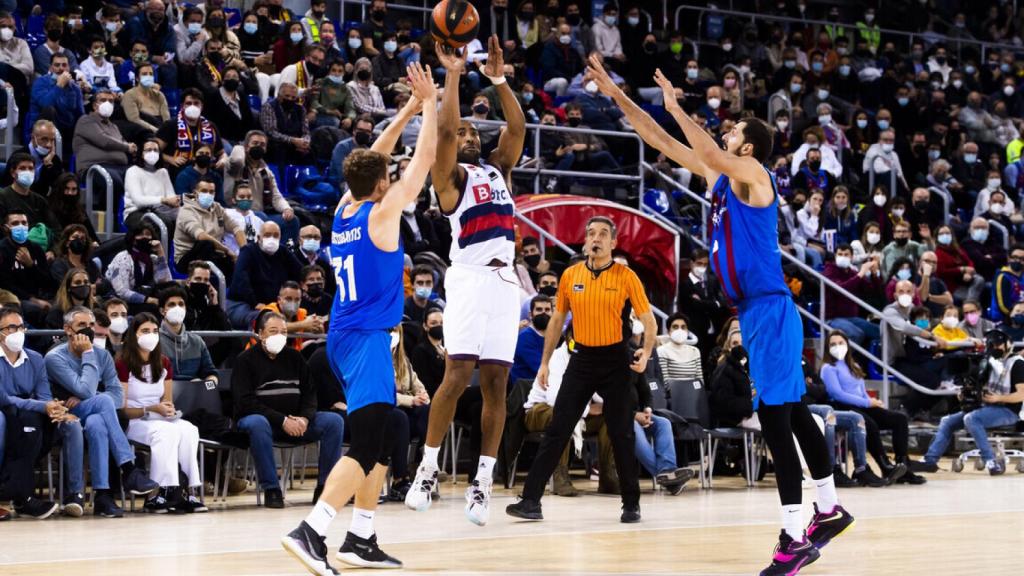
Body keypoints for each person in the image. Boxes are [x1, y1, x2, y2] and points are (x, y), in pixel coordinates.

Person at [587, 57, 852, 572]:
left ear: (747, 146)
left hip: (770, 310)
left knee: (776, 416)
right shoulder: (719, 177)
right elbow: (659, 140)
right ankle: (829, 507)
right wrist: (618, 94)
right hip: (755, 313)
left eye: (733, 130)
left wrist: (678, 107)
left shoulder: (754, 174)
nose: (725, 134)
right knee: (793, 411)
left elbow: (706, 147)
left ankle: (796, 534)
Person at [280, 62, 435, 574]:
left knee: (387, 429)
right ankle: (312, 531)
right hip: (368, 336)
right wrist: (430, 106)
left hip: (350, 333)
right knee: (367, 438)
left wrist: (407, 109)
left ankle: (361, 538)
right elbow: (424, 161)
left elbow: (377, 158)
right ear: (382, 184)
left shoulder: (346, 208)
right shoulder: (383, 214)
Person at [405, 37, 526, 526]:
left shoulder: (499, 170)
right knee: (456, 377)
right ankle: (427, 470)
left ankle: (482, 483)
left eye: (478, 132)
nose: (471, 136)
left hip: (505, 283)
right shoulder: (448, 178)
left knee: (498, 384)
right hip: (471, 279)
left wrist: (499, 80)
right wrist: (454, 75)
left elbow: (516, 126)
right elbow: (447, 132)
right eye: (465, 133)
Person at [506, 215, 654, 524]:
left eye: (602, 234)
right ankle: (531, 500)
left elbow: (648, 319)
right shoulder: (571, 275)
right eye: (590, 234)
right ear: (585, 242)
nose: (595, 239)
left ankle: (631, 503)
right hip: (582, 359)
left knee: (621, 432)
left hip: (615, 360)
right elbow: (557, 321)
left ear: (613, 243)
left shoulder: (626, 276)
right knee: (558, 427)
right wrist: (545, 362)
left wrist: (647, 352)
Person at [45, 306, 160, 517]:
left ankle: (103, 495)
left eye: (91, 325)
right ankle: (128, 469)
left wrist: (89, 397)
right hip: (64, 414)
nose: (88, 330)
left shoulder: (103, 355)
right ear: (67, 329)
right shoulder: (55, 357)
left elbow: (117, 396)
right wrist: (88, 354)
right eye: (82, 325)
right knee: (103, 400)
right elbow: (86, 389)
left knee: (99, 420)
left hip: (92, 411)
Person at [235, 311, 344, 509]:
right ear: (260, 334)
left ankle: (325, 488)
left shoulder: (296, 358)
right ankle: (272, 489)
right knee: (257, 423)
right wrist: (283, 420)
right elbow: (246, 402)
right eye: (273, 331)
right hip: (263, 422)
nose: (279, 336)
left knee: (334, 421)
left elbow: (310, 395)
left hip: (296, 421)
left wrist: (304, 419)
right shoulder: (245, 360)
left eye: (284, 332)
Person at [116, 312, 206, 513]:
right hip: (135, 420)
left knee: (189, 429)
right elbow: (122, 410)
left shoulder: (163, 362)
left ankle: (187, 490)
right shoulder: (123, 363)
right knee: (167, 433)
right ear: (134, 334)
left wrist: (167, 409)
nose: (151, 335)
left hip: (158, 418)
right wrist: (150, 409)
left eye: (155, 331)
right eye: (145, 331)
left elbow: (167, 401)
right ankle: (158, 493)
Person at [821, 331, 927, 485]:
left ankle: (903, 465)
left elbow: (861, 391)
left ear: (847, 345)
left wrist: (871, 401)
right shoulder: (828, 368)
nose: (837, 347)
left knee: (899, 420)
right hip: (844, 406)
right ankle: (884, 465)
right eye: (833, 344)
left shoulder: (854, 365)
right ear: (827, 348)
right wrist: (867, 403)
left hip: (863, 405)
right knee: (869, 424)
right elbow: (837, 394)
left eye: (841, 343)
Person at [919, 329, 1024, 475]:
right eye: (992, 345)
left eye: (998, 344)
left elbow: (1021, 395)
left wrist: (998, 398)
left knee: (972, 418)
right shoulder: (990, 362)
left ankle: (991, 462)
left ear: (1008, 344)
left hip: (1009, 411)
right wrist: (967, 393)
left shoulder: (1017, 364)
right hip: (988, 406)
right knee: (947, 421)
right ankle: (930, 461)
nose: (995, 348)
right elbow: (981, 386)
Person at [0, 306, 64, 519]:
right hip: (4, 411)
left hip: (27, 415)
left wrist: (53, 408)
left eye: (21, 327)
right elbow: (5, 399)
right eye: (11, 327)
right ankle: (23, 498)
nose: (17, 332)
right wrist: (43, 406)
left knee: (41, 424)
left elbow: (44, 395)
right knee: (26, 424)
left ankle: (17, 493)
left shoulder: (36, 358)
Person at [226, 221, 303, 329]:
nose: (272, 238)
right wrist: (255, 303)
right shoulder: (248, 251)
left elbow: (301, 272)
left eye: (276, 235)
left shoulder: (283, 252)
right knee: (265, 318)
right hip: (242, 304)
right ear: (258, 237)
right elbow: (241, 280)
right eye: (267, 235)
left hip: (273, 306)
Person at [174, 176, 244, 278]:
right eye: (204, 191)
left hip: (214, 254)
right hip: (185, 259)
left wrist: (244, 251)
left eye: (211, 192)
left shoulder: (217, 208)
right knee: (206, 244)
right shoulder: (186, 211)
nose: (208, 194)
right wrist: (227, 251)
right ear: (195, 192)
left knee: (236, 266)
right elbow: (201, 236)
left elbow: (235, 227)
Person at [0, 209, 55, 325]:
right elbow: (5, 285)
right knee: (33, 309)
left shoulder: (36, 249)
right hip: (13, 299)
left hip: (40, 295)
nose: (21, 226)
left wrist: (30, 265)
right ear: (6, 228)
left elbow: (47, 282)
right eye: (15, 223)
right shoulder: (2, 249)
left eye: (24, 223)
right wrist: (32, 299)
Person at [105, 220, 171, 315]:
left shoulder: (152, 259)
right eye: (139, 234)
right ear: (133, 239)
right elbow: (122, 292)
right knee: (153, 308)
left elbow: (165, 282)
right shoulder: (123, 257)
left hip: (143, 300)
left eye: (148, 234)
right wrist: (147, 299)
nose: (144, 237)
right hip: (120, 302)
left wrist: (160, 252)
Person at [124, 138, 179, 232]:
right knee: (163, 223)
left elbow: (171, 197)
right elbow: (139, 201)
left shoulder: (163, 172)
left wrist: (176, 201)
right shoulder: (133, 171)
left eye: (156, 150)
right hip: (136, 213)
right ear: (141, 153)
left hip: (161, 211)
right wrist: (163, 200)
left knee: (186, 219)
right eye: (149, 150)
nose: (153, 153)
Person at [509, 295, 552, 385]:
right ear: (530, 315)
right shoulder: (525, 338)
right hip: (526, 391)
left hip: (547, 386)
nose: (543, 313)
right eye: (539, 309)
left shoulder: (555, 337)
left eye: (547, 310)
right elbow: (540, 369)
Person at [657, 312, 704, 382]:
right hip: (672, 392)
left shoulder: (695, 351)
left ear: (687, 332)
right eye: (675, 327)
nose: (679, 330)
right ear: (668, 332)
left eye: (683, 327)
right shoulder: (661, 351)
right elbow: (664, 381)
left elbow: (700, 379)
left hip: (693, 392)